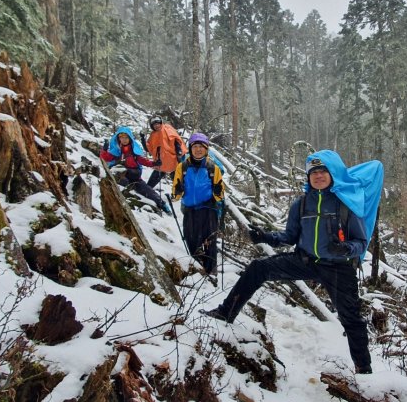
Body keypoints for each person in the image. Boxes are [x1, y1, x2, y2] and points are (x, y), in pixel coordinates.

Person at [202, 150, 374, 374]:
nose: (319, 176)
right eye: (314, 172)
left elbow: (361, 241)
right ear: (308, 177)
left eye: (323, 171)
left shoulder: (345, 205)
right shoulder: (301, 205)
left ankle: (364, 370)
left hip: (338, 268)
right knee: (258, 268)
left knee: (351, 319)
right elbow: (289, 237)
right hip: (304, 260)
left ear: (332, 174)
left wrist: (346, 248)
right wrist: (265, 236)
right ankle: (226, 312)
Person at [172, 133, 224, 275]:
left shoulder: (213, 168)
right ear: (190, 148)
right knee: (191, 238)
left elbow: (220, 195)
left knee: (209, 241)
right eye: (195, 146)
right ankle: (197, 269)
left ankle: (211, 271)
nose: (198, 149)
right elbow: (175, 195)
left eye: (202, 147)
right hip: (189, 210)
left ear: (206, 149)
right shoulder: (182, 167)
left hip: (208, 209)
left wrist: (218, 192)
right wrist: (178, 190)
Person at [100, 126, 172, 214]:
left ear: (130, 138)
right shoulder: (117, 151)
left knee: (149, 191)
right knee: (126, 184)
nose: (124, 140)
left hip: (135, 178)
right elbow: (106, 158)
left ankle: (163, 205)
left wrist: (154, 163)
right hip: (122, 177)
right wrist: (104, 150)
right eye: (121, 137)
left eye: (126, 137)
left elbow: (143, 161)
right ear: (118, 139)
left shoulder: (134, 151)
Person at [140, 116, 187, 188]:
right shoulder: (153, 135)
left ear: (161, 123)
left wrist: (179, 153)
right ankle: (148, 190)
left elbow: (176, 140)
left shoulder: (167, 129)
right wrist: (142, 139)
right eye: (154, 124)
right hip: (161, 161)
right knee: (156, 177)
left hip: (173, 158)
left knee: (178, 178)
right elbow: (148, 148)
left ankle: (181, 192)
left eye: (158, 123)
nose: (156, 126)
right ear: (152, 126)